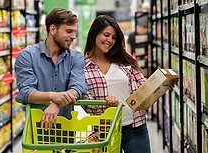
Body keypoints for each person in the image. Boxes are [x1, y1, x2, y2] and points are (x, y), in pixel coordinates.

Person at [82, 15, 151, 153]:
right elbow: (84, 100)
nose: (110, 40)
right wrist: (104, 103)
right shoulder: (82, 66)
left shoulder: (125, 61)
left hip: (135, 127)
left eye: (114, 37)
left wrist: (160, 86)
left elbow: (144, 86)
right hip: (104, 132)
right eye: (106, 35)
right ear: (94, 34)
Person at [14, 8, 88, 130]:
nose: (73, 36)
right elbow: (26, 92)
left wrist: (57, 103)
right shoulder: (27, 56)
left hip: (66, 131)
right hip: (36, 132)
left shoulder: (76, 57)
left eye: (74, 32)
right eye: (69, 31)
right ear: (53, 29)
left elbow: (78, 87)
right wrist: (52, 96)